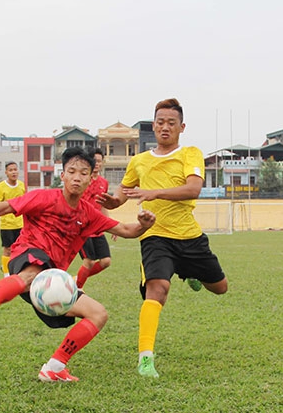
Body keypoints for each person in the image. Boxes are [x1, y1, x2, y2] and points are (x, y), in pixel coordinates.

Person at [0, 147, 155, 382]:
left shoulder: (89, 214)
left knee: (98, 314)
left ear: (91, 178)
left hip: (54, 278)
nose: (77, 177)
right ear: (62, 175)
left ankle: (54, 366)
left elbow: (126, 230)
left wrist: (143, 225)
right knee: (31, 274)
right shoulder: (43, 197)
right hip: (27, 255)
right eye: (71, 171)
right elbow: (3, 207)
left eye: (84, 173)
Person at [98, 98, 228, 378]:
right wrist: (111, 202)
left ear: (181, 127)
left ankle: (187, 271)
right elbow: (124, 192)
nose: (165, 127)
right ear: (153, 125)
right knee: (157, 289)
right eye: (160, 122)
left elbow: (193, 189)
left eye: (171, 122)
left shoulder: (190, 153)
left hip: (189, 236)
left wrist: (154, 193)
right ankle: (146, 359)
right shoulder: (139, 161)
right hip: (154, 235)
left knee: (220, 288)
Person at [75, 147, 113, 289]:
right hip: (83, 227)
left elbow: (103, 206)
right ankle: (78, 288)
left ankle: (75, 280)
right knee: (89, 261)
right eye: (94, 161)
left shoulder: (104, 183)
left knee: (106, 261)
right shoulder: (83, 180)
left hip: (97, 227)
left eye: (99, 161)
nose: (97, 163)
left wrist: (110, 226)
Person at [0, 161, 26, 277]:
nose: (13, 172)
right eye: (11, 170)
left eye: (15, 169)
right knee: (8, 249)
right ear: (6, 172)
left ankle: (17, 270)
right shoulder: (1, 187)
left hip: (20, 223)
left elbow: (26, 203)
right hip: (7, 224)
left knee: (20, 249)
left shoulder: (22, 185)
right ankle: (6, 274)